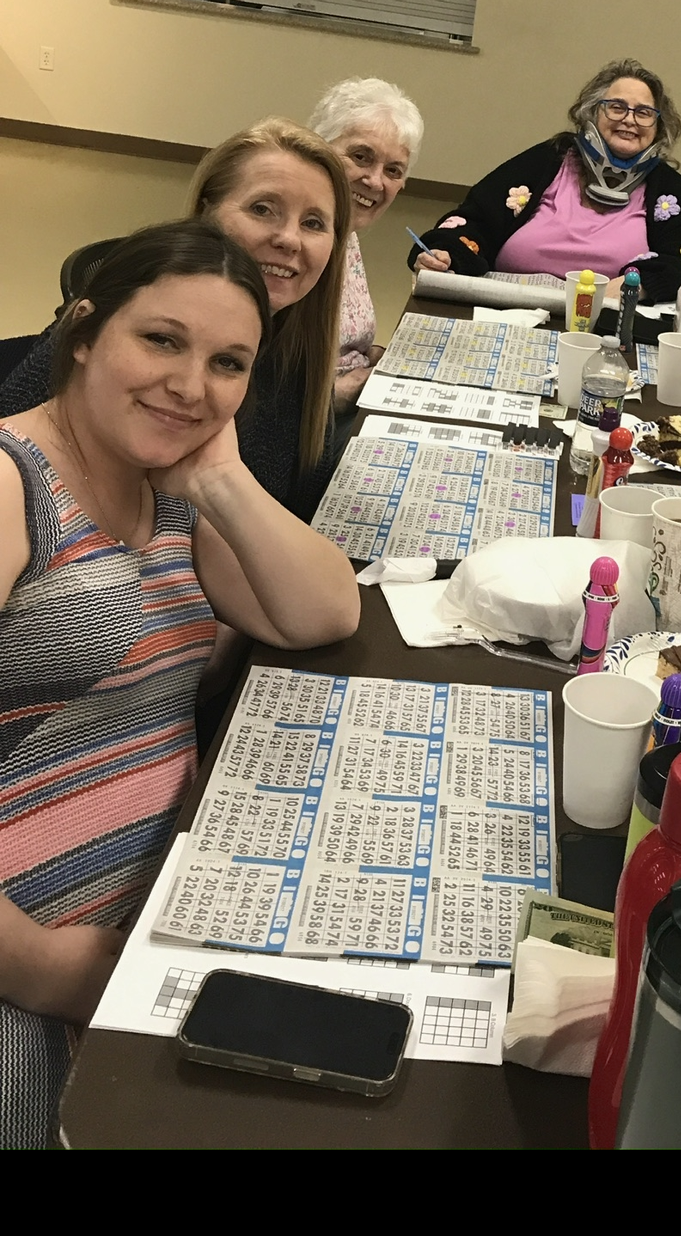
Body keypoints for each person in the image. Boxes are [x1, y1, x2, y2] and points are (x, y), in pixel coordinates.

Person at [0, 220, 359, 1150]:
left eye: (228, 363)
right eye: (161, 340)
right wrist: (39, 966)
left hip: (156, 921)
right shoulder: (12, 485)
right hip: (29, 967)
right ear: (83, 332)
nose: (191, 385)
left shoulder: (165, 487)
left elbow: (321, 613)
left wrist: (223, 473)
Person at [0, 120, 352, 516]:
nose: (289, 239)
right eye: (263, 209)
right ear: (207, 212)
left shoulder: (300, 352)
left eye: (313, 223)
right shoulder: (108, 333)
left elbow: (304, 511)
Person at [410, 59, 681, 304]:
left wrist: (637, 285)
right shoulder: (545, 162)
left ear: (658, 127)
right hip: (509, 311)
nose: (629, 119)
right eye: (616, 107)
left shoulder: (670, 192)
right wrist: (446, 253)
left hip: (607, 323)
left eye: (644, 113)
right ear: (592, 113)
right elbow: (475, 220)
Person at [309, 77, 424, 406]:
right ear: (317, 148)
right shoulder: (290, 245)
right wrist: (339, 395)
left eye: (393, 170)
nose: (375, 181)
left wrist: (368, 357)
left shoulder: (345, 235)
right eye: (360, 157)